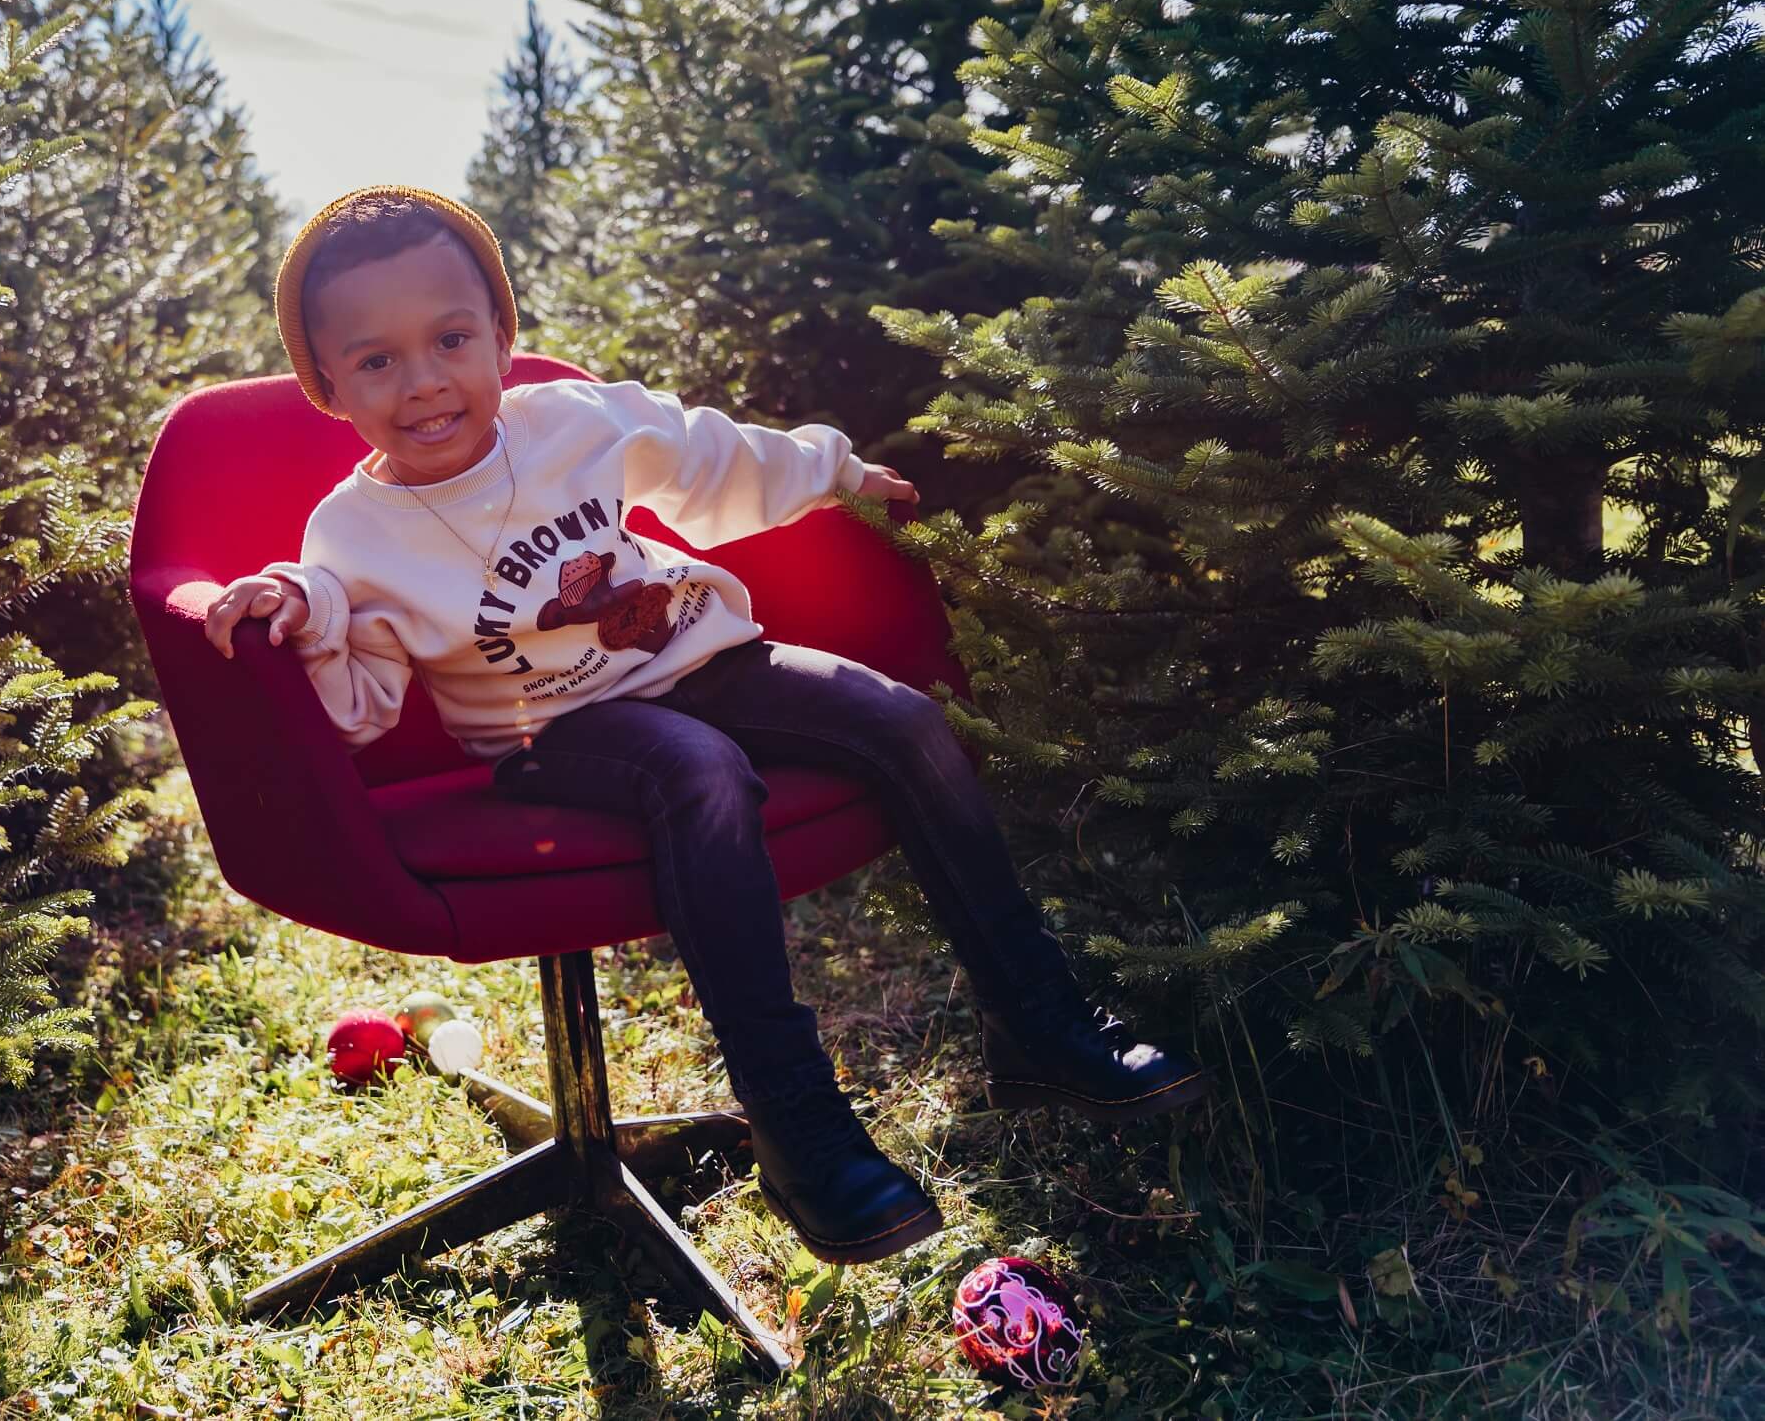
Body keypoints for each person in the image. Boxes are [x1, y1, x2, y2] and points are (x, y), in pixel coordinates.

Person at [203, 184, 1206, 1266]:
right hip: (552, 732)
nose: (425, 382)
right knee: (700, 771)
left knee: (905, 723)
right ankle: (799, 1130)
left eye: (450, 338)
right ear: (326, 387)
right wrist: (303, 609)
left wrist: (833, 470)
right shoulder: (352, 530)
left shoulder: (572, 420)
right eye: (376, 362)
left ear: (502, 334)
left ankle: (1041, 1023)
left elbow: (708, 455)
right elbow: (358, 705)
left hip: (704, 658)